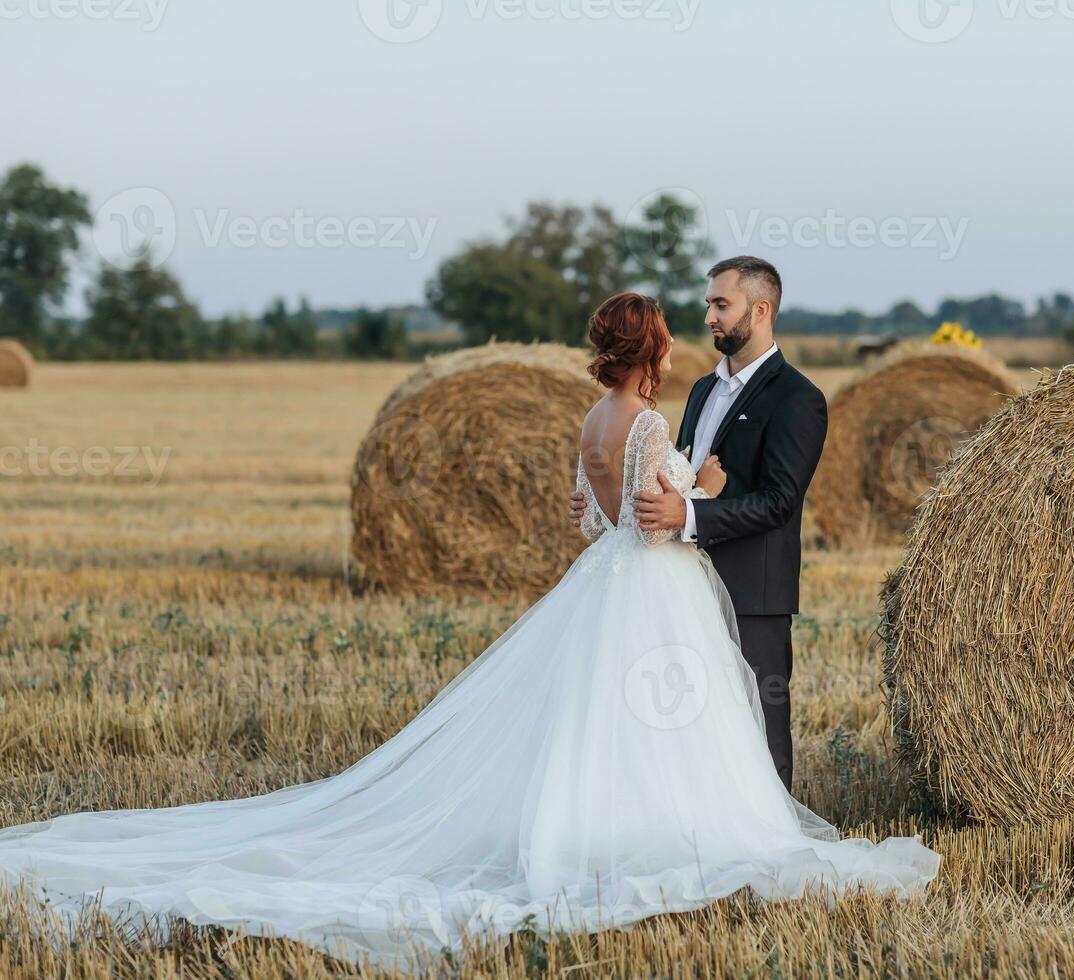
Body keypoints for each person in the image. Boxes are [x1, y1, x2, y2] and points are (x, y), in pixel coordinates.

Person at [0, 289, 940, 976]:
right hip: (654, 579)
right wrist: (707, 489)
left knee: (594, 717)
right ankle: (650, 837)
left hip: (604, 574)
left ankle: (605, 823)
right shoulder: (652, 421)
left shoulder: (589, 418)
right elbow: (659, 504)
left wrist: (665, 498)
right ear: (651, 351)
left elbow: (589, 516)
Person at [569, 256, 823, 791]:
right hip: (678, 587)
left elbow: (779, 501)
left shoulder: (798, 398)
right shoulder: (704, 390)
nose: (709, 315)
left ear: (760, 310)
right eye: (709, 303)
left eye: (720, 304)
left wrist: (689, 512)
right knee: (692, 729)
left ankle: (771, 837)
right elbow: (665, 474)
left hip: (752, 588)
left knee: (758, 723)